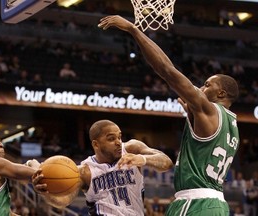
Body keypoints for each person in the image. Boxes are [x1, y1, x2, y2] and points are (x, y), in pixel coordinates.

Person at [98, 15, 240, 215]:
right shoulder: (232, 124)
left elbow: (166, 69)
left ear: (221, 94)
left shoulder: (208, 109)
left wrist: (133, 30)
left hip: (195, 203)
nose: (201, 87)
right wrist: (192, 117)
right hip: (217, 204)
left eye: (207, 85)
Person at [31, 119, 173, 215]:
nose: (118, 142)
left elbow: (166, 162)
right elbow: (63, 202)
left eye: (119, 137)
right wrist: (45, 192)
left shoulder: (132, 149)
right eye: (111, 138)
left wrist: (142, 159)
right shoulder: (85, 171)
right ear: (96, 144)